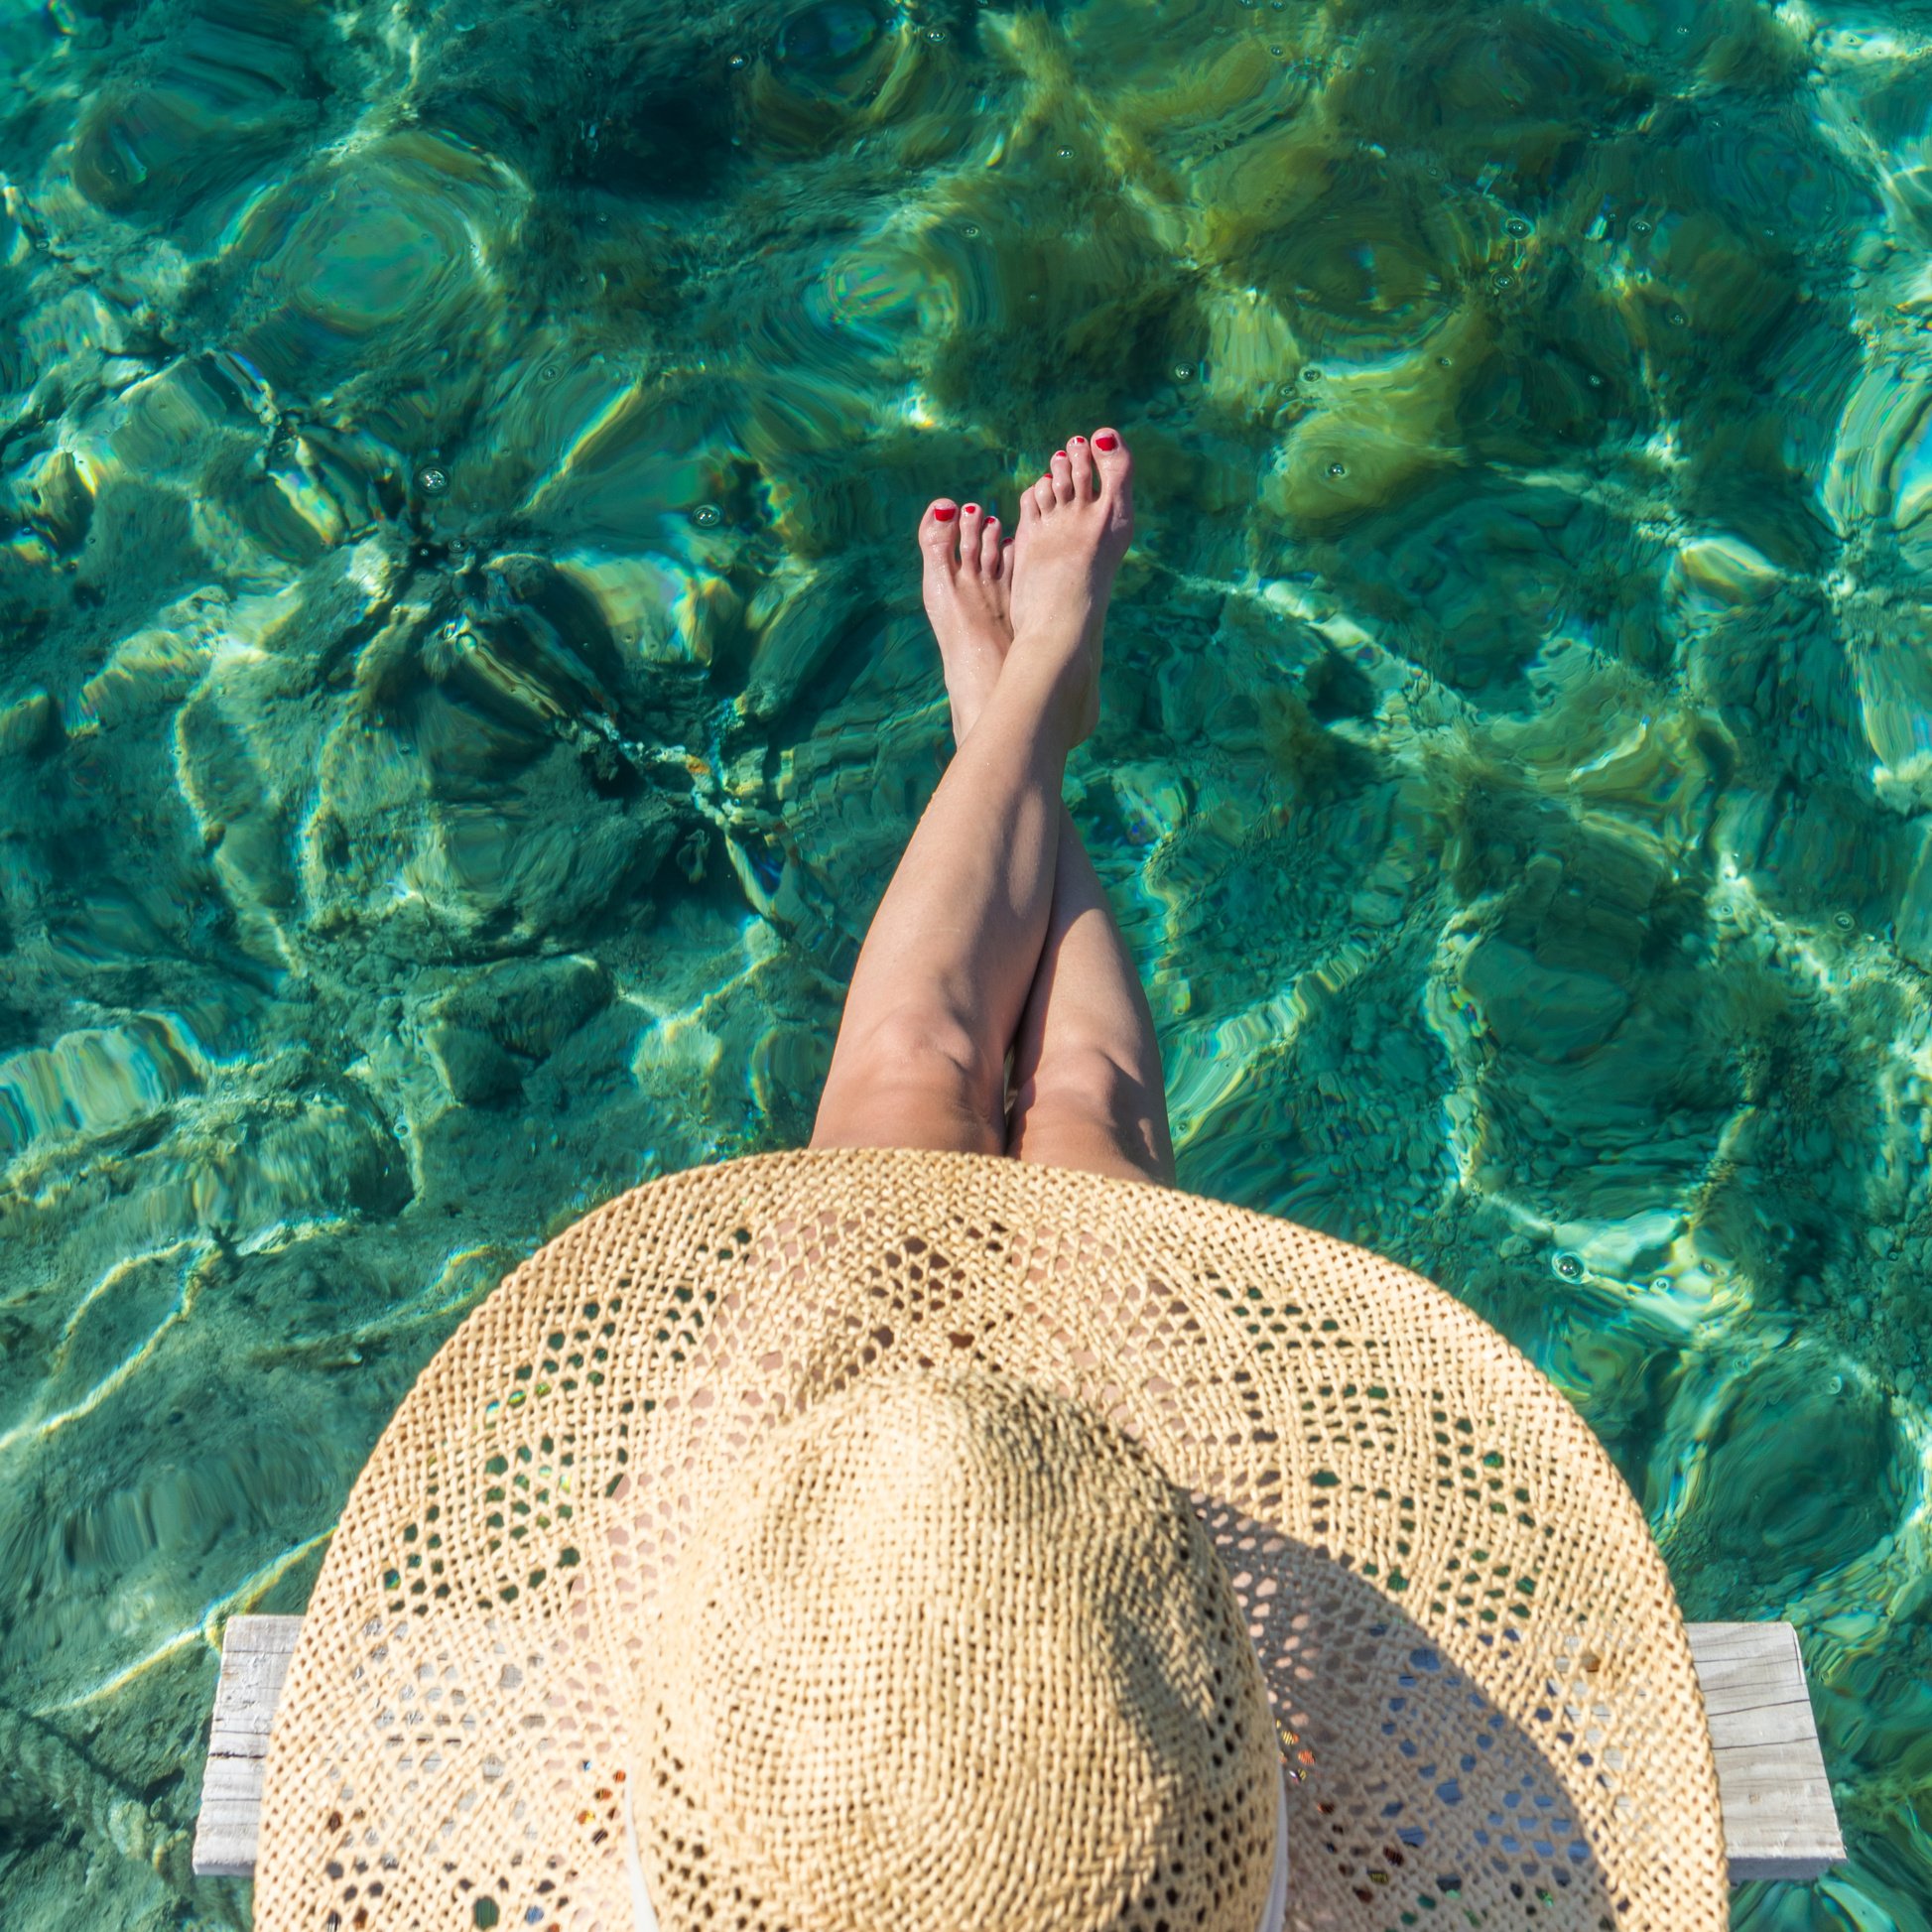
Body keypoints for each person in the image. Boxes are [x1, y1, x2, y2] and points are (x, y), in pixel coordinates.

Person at [810, 427, 1174, 1186]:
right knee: (1089, 1099)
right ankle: (1033, 684)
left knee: (908, 1057)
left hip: (846, 1304)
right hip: (1102, 1309)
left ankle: (1014, 706)